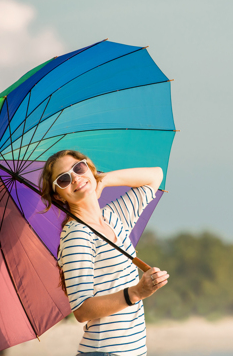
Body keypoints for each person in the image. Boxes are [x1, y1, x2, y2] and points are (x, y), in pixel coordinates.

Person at [39, 149, 168, 356]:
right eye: (63, 180)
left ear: (89, 167)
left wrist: (104, 179)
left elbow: (155, 176)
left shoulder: (114, 216)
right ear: (58, 195)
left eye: (79, 168)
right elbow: (82, 310)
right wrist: (136, 292)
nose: (75, 178)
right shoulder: (76, 235)